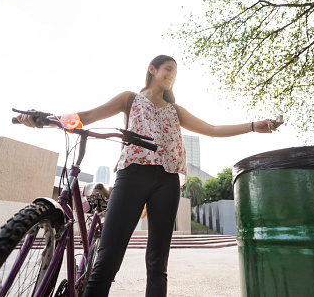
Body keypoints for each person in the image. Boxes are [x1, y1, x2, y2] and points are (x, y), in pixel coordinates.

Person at [17, 55, 276, 297]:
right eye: (168, 69)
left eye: (175, 72)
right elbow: (87, 116)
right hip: (132, 176)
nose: (172, 75)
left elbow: (213, 129)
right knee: (107, 260)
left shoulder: (175, 110)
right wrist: (47, 118)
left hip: (167, 181)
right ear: (152, 69)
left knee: (157, 262)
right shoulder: (130, 99)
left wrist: (254, 127)